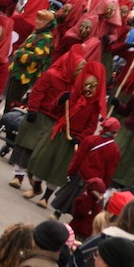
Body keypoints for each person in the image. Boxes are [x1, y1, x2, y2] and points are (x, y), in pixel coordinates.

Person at [26, 61, 106, 208]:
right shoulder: (70, 96)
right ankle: (36, 187)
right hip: (57, 133)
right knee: (41, 160)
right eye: (88, 85)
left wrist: (79, 138)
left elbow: (90, 127)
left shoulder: (93, 107)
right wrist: (60, 101)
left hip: (71, 141)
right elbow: (53, 109)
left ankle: (46, 197)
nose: (90, 89)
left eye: (94, 87)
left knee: (58, 169)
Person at [8, 47, 85, 191]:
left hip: (56, 121)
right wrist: (33, 110)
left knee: (40, 152)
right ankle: (18, 176)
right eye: (79, 68)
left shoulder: (76, 85)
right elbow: (37, 92)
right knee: (27, 146)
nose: (81, 72)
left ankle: (32, 177)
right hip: (40, 115)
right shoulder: (51, 75)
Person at [50, 116, 121, 220]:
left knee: (68, 195)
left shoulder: (90, 139)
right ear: (115, 133)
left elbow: (78, 158)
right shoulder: (115, 150)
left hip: (81, 175)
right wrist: (104, 186)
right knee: (85, 203)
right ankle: (76, 221)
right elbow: (110, 171)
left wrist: (71, 172)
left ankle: (57, 213)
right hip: (95, 183)